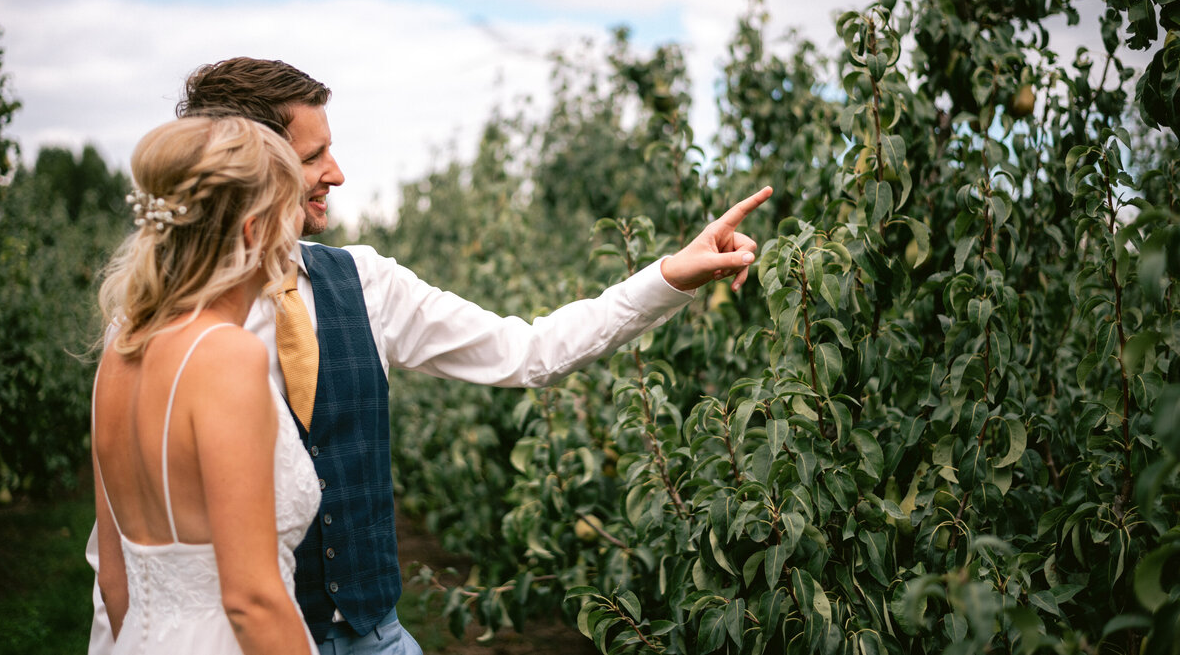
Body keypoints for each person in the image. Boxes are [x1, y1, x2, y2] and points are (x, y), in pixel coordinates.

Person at [88, 57, 772, 655]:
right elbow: (121, 558)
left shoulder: (365, 281)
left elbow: (527, 350)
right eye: (313, 155)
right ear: (251, 171)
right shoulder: (161, 338)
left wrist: (667, 277)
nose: (338, 172)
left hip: (373, 634)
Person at [89, 115, 320, 654]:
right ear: (252, 231)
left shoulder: (120, 356)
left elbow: (113, 580)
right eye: (288, 218)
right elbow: (251, 600)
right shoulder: (225, 355)